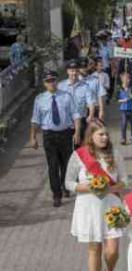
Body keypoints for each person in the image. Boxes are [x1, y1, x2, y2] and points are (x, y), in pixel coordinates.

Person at [65, 120, 127, 271]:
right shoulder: (78, 155)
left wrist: (110, 187)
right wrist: (88, 187)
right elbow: (68, 182)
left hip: (112, 205)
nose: (105, 137)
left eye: (106, 134)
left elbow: (124, 181)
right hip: (88, 207)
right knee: (94, 249)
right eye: (101, 134)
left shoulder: (115, 154)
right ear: (90, 136)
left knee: (113, 250)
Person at [30, 71, 81, 207]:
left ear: (57, 81)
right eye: (48, 81)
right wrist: (33, 137)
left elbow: (75, 115)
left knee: (66, 164)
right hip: (49, 136)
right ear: (44, 83)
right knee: (53, 166)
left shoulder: (66, 96)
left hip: (65, 134)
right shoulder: (39, 99)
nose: (51, 83)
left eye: (53, 80)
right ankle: (56, 195)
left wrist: (77, 132)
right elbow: (35, 119)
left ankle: (66, 186)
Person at [58, 59, 94, 144]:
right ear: (67, 71)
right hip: (65, 123)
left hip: (81, 121)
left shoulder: (85, 87)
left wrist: (91, 114)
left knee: (80, 148)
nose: (74, 73)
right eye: (72, 71)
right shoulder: (60, 86)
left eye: (76, 71)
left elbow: (90, 102)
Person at [117, 72, 132, 145]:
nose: (127, 80)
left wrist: (129, 92)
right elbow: (117, 99)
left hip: (131, 108)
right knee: (124, 123)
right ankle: (123, 138)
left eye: (128, 78)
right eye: (125, 78)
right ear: (122, 79)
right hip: (123, 109)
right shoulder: (119, 88)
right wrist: (123, 100)